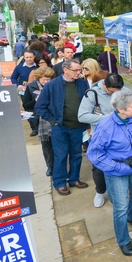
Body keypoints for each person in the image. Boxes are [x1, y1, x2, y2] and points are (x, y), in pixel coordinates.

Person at [86, 89, 132, 256]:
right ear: (121, 109)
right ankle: (123, 240)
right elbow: (95, 154)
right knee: (120, 206)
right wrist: (118, 167)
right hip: (116, 171)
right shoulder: (106, 126)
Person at [35, 58, 90, 196]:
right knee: (60, 155)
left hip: (78, 127)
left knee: (76, 154)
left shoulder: (82, 84)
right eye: (76, 70)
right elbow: (40, 107)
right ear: (65, 70)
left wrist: (87, 125)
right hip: (60, 128)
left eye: (80, 70)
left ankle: (74, 179)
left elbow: (89, 104)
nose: (79, 73)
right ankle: (59, 182)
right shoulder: (52, 85)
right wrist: (53, 121)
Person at [79, 73, 126, 208]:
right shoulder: (92, 94)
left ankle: (121, 190)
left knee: (121, 164)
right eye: (111, 92)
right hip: (100, 137)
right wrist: (107, 118)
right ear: (105, 85)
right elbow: (82, 116)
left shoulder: (123, 91)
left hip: (120, 136)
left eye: (117, 92)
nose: (114, 95)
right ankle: (100, 192)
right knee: (99, 168)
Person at [25, 67, 56, 177]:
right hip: (40, 120)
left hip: (54, 117)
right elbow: (26, 105)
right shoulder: (31, 86)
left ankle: (58, 166)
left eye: (48, 79)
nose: (46, 82)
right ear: (38, 78)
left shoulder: (55, 86)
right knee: (46, 145)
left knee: (57, 144)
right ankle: (50, 166)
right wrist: (35, 101)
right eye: (44, 80)